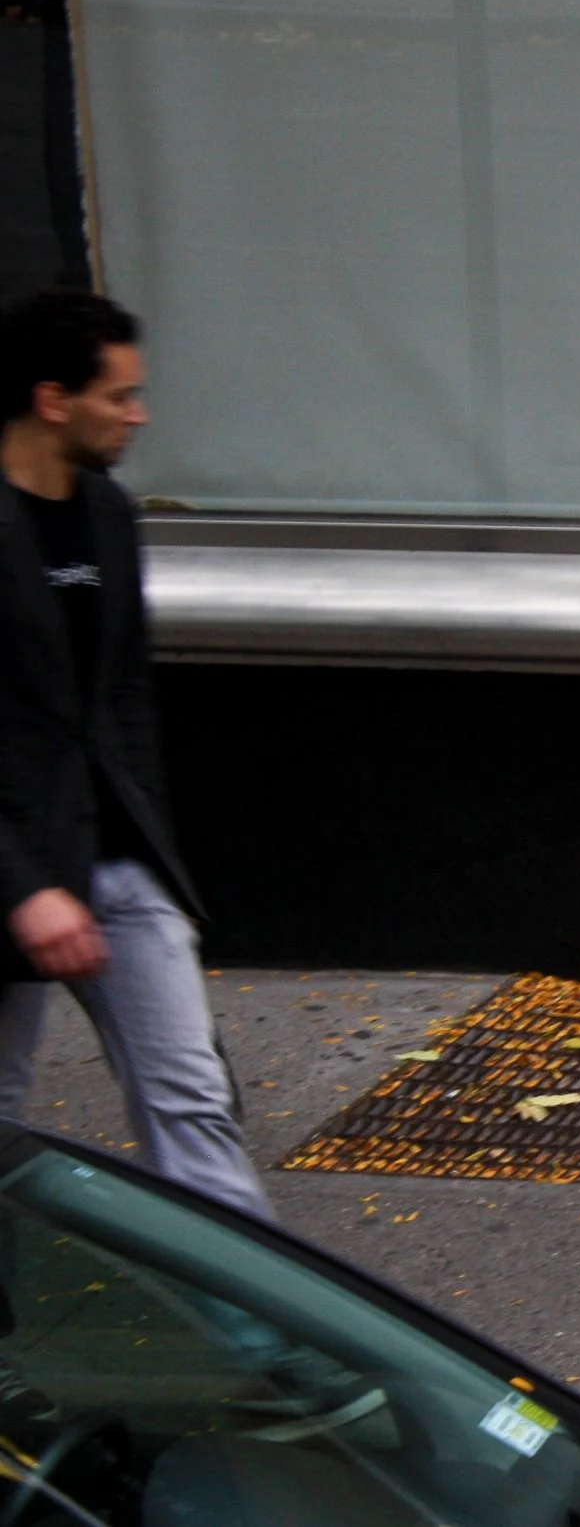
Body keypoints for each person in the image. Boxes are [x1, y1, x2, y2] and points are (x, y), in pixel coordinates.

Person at [0, 289, 270, 1221]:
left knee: (191, 1098)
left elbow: (123, 697)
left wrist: (154, 844)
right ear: (51, 398)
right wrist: (23, 887)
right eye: (119, 395)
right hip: (16, 866)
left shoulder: (108, 513)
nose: (138, 414)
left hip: (120, 859)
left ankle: (270, 1340)